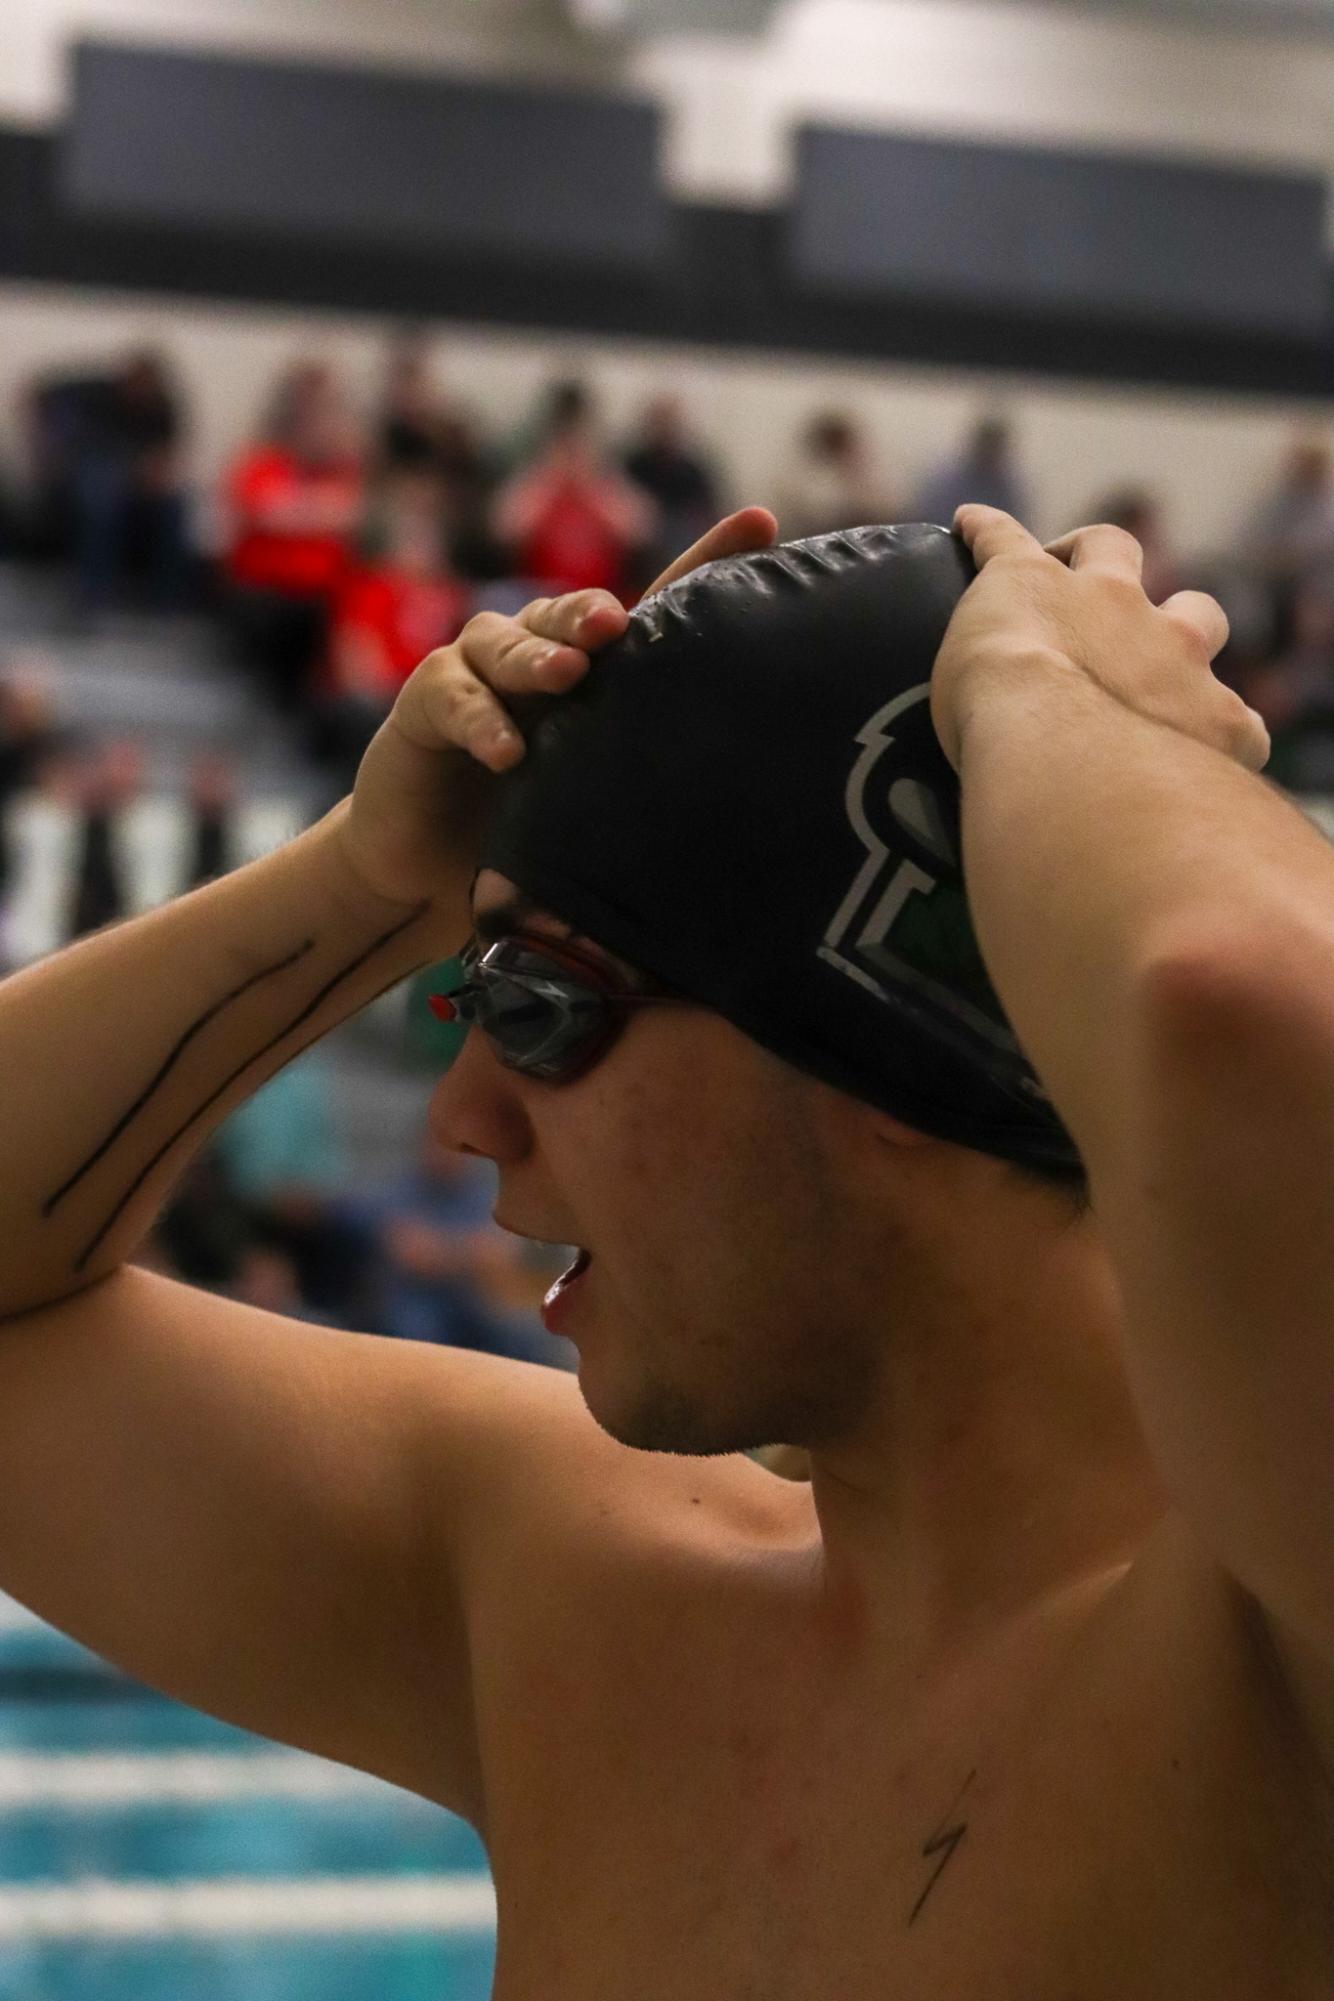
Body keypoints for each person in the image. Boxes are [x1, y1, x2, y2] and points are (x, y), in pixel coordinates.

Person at [0, 496, 1329, 1998]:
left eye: (538, 1009)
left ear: (869, 1044)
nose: (464, 1113)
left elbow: (1248, 1006)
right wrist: (365, 885)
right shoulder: (576, 1596)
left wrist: (1044, 689)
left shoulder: (1272, 1656)